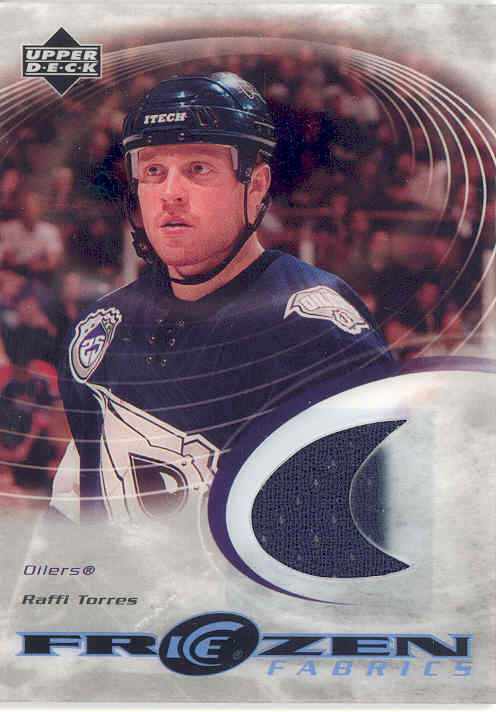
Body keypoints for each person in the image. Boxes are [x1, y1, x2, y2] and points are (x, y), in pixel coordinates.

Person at [51, 72, 393, 524]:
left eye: (198, 169)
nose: (170, 193)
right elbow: (75, 511)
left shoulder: (317, 333)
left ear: (256, 185)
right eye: (153, 171)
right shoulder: (101, 330)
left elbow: (368, 528)